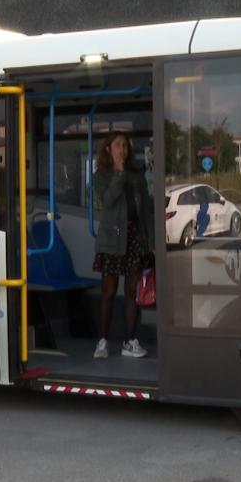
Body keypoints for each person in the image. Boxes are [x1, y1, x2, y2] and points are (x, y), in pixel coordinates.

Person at [92, 132, 153, 359]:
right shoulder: (101, 175)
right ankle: (102, 341)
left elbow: (145, 210)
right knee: (108, 292)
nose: (122, 150)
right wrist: (118, 173)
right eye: (118, 145)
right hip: (112, 239)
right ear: (108, 149)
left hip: (135, 236)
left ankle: (130, 340)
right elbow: (108, 201)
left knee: (131, 292)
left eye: (125, 146)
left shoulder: (136, 175)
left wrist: (151, 242)